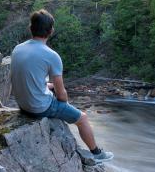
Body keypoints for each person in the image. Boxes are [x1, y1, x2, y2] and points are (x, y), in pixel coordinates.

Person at [11, 9, 113, 163]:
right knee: (83, 118)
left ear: (30, 28)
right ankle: (97, 154)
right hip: (38, 108)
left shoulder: (18, 48)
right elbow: (61, 93)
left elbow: (28, 77)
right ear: (51, 30)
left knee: (49, 85)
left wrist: (46, 86)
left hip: (22, 104)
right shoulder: (51, 55)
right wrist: (64, 105)